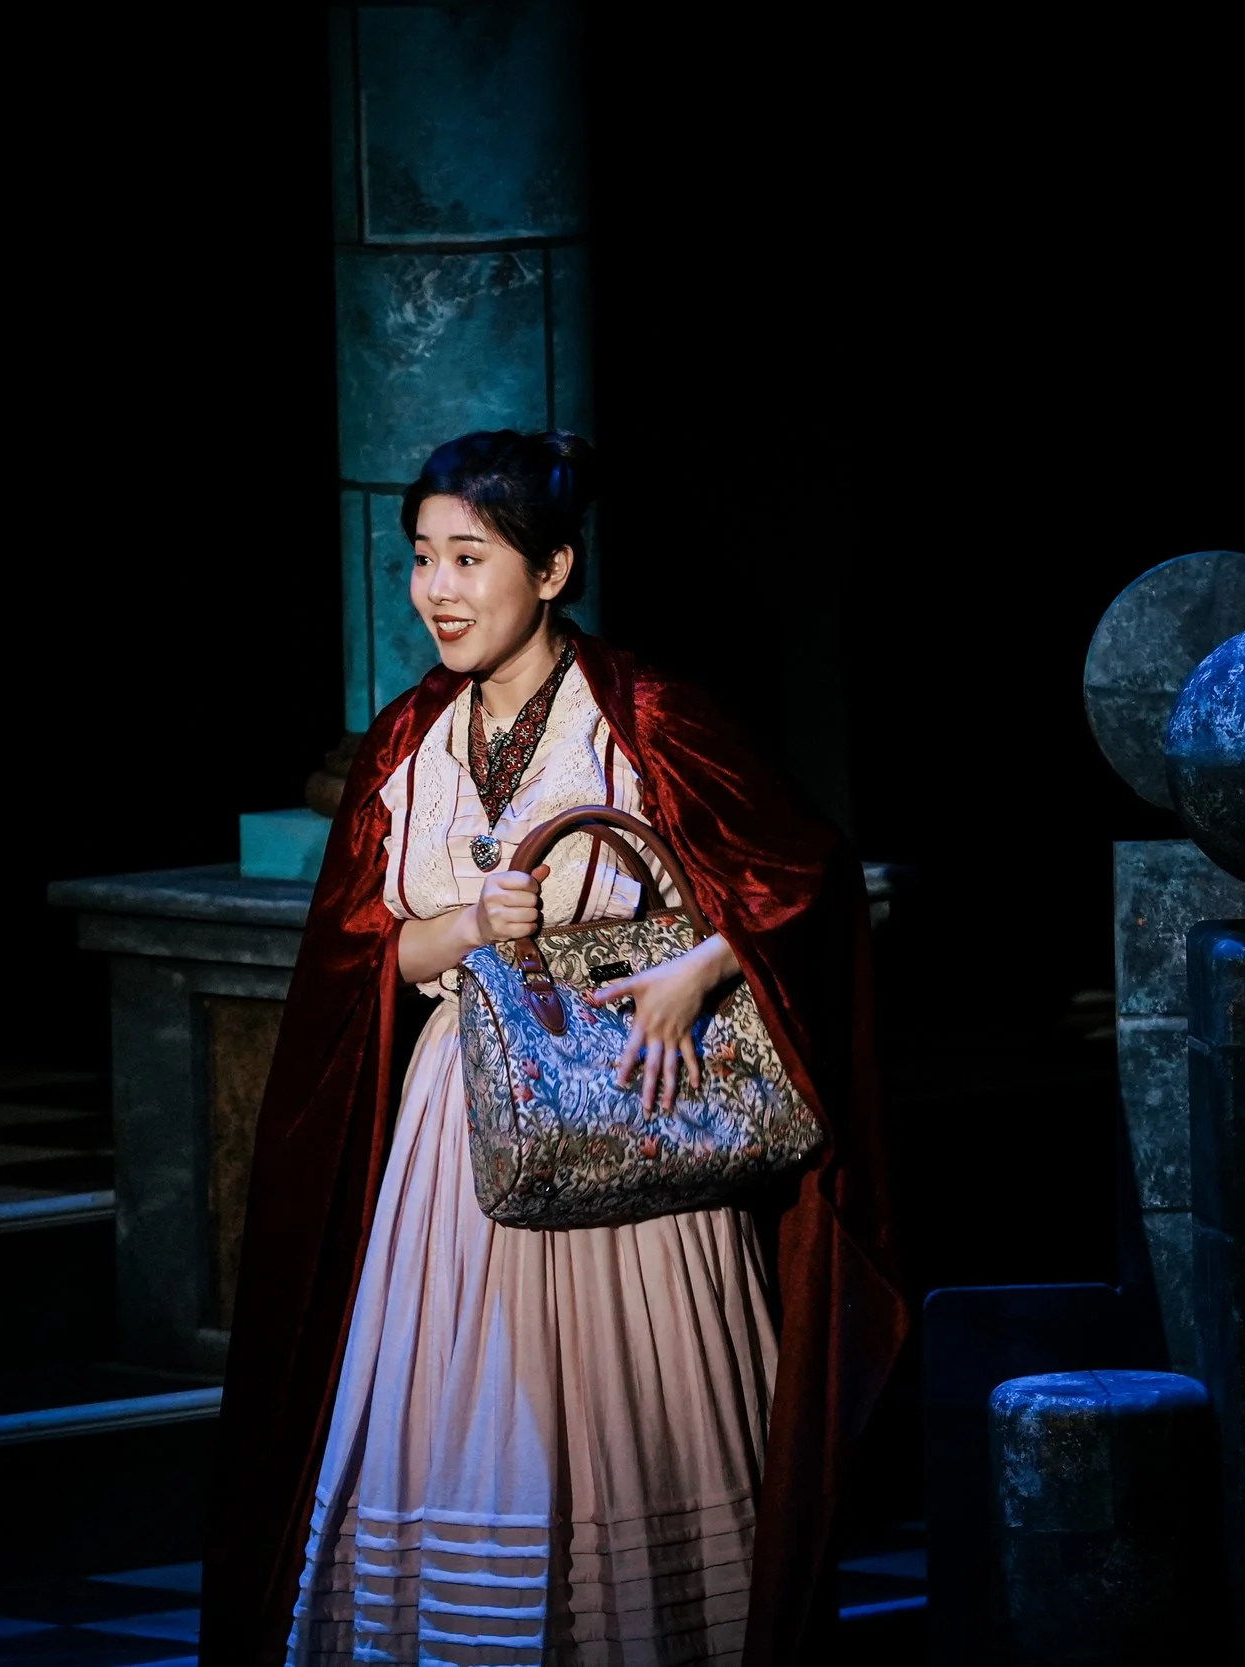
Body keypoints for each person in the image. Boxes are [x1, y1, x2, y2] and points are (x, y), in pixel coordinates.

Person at [202, 430, 905, 1665]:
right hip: (455, 1140)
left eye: (469, 557)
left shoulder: (643, 716)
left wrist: (695, 968)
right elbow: (369, 956)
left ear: (552, 567)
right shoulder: (407, 740)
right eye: (422, 557)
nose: (438, 589)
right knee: (466, 1419)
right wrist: (469, 923)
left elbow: (809, 876)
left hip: (635, 1110)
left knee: (639, 1422)